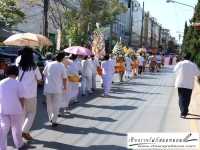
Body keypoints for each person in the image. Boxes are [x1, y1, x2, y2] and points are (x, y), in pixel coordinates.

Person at [17, 47, 42, 140]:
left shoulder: (18, 65)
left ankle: (26, 132)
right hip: (30, 93)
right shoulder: (34, 66)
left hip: (20, 93)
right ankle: (24, 130)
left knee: (23, 114)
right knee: (32, 112)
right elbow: (39, 79)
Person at [0, 65, 27, 149]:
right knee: (16, 127)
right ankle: (19, 144)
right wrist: (22, 106)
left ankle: (2, 147)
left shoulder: (1, 82)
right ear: (17, 73)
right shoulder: (18, 83)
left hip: (3, 108)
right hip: (15, 108)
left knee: (3, 128)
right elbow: (21, 97)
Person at [43, 52, 67, 125]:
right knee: (56, 104)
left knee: (49, 103)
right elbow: (64, 78)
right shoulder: (62, 66)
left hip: (48, 87)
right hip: (57, 87)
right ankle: (54, 120)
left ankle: (50, 117)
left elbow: (44, 73)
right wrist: (65, 86)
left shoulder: (49, 64)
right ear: (62, 59)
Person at [174, 52, 200, 118]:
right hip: (190, 84)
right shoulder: (193, 65)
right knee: (188, 98)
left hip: (180, 84)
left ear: (183, 57)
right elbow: (198, 74)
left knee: (181, 98)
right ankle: (185, 110)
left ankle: (183, 112)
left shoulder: (180, 64)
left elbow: (175, 71)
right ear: (190, 57)